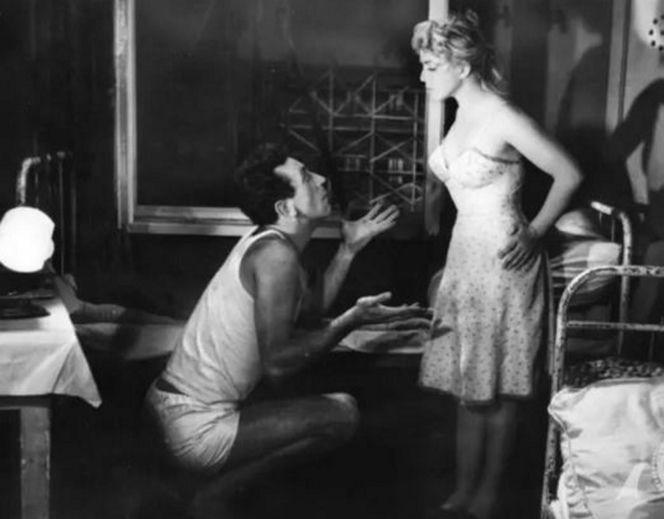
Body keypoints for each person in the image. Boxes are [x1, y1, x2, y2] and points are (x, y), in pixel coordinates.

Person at [144, 143, 432, 517]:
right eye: (307, 178)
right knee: (343, 414)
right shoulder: (276, 256)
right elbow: (278, 365)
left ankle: (207, 494)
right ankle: (215, 496)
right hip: (193, 426)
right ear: (285, 208)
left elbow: (307, 314)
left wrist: (348, 250)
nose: (322, 180)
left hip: (171, 409)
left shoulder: (269, 241)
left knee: (337, 405)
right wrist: (350, 321)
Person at [412, 11, 582, 519]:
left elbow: (569, 173)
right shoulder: (460, 115)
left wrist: (535, 232)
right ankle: (464, 489)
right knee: (470, 386)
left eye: (430, 66)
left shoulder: (504, 116)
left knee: (501, 388)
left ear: (461, 66)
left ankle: (487, 495)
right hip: (465, 258)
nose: (422, 75)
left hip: (506, 261)